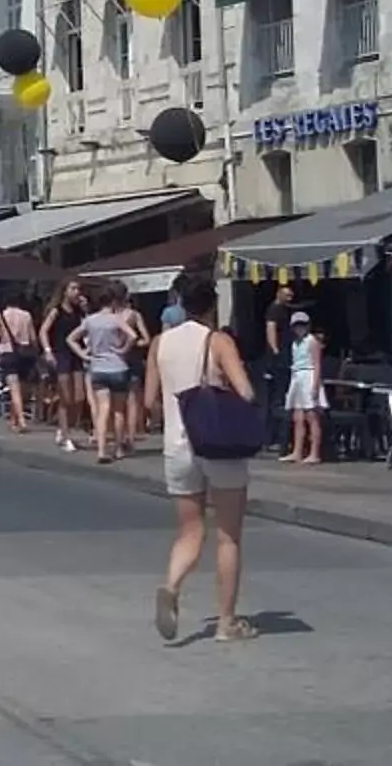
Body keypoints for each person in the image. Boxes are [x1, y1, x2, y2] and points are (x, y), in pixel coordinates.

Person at [141, 267, 256, 643]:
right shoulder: (218, 341)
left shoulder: (160, 343)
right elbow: (246, 392)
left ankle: (172, 587)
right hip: (218, 444)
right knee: (228, 536)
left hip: (176, 444)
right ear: (213, 305)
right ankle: (227, 622)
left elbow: (148, 401)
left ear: (179, 302)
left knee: (190, 531)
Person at [70, 282, 141, 464]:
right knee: (118, 411)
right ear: (114, 302)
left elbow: (71, 338)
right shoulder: (116, 319)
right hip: (118, 367)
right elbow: (133, 336)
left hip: (98, 368)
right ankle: (118, 448)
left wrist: (83, 354)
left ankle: (101, 449)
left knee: (103, 409)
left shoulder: (90, 320)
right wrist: (123, 349)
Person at [0, 293, 41, 436]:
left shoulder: (1, 316)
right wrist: (37, 351)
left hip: (7, 353)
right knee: (22, 389)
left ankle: (21, 420)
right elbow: (33, 338)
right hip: (25, 354)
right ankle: (13, 421)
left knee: (15, 389)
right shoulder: (27, 316)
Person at [44, 281, 91, 452]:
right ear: (64, 292)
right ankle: (66, 436)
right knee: (66, 397)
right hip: (61, 353)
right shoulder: (57, 311)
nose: (77, 292)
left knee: (79, 397)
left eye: (78, 288)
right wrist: (48, 351)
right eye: (73, 288)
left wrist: (86, 310)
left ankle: (64, 428)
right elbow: (43, 331)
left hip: (76, 354)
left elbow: (87, 328)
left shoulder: (79, 312)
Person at [280, 311, 326, 465]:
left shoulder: (312, 341)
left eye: (303, 325)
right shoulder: (295, 343)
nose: (300, 328)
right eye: (296, 325)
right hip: (297, 376)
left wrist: (315, 386)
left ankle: (314, 453)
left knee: (311, 416)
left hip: (309, 375)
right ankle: (297, 451)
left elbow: (317, 364)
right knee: (297, 417)